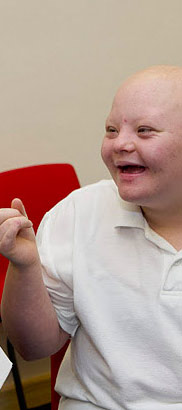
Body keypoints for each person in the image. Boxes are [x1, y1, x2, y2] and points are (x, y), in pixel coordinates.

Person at [1, 64, 182, 409]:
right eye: (111, 130)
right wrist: (25, 267)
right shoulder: (79, 212)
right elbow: (34, 347)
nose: (121, 144)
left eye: (144, 131)